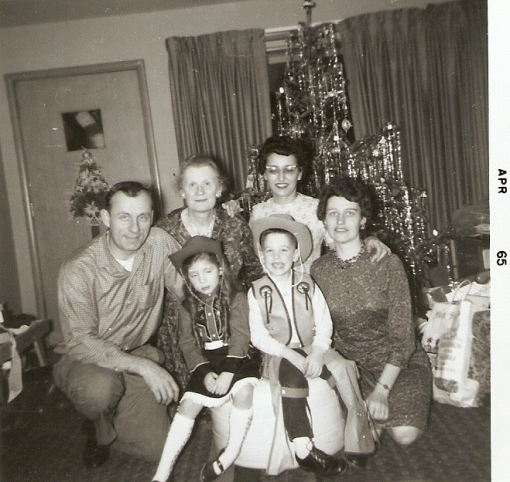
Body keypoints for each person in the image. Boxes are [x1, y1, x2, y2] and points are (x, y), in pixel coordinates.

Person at [53, 181, 182, 467]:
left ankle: (115, 415)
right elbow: (82, 341)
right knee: (98, 391)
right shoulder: (79, 268)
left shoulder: (159, 242)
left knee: (160, 452)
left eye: (143, 217)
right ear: (106, 218)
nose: (135, 228)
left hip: (134, 352)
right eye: (124, 217)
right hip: (86, 360)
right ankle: (96, 426)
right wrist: (144, 367)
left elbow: (189, 289)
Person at [248, 214, 375, 477]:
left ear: (296, 254)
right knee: (293, 377)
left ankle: (357, 436)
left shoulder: (307, 285)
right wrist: (289, 355)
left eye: (284, 249)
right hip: (279, 353)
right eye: (269, 250)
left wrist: (318, 352)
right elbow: (258, 337)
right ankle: (303, 447)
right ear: (261, 256)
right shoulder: (257, 291)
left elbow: (324, 322)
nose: (277, 256)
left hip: (312, 346)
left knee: (342, 369)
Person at [311, 177, 432, 446]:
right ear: (324, 221)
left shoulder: (387, 263)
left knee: (405, 435)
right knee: (364, 438)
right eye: (333, 213)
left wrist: (381, 392)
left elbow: (403, 338)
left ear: (363, 220)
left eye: (350, 213)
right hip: (353, 370)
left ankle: (406, 401)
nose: (340, 221)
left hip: (400, 364)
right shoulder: (318, 270)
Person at [152, 236, 259, 482]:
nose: (202, 281)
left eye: (207, 272)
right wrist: (203, 371)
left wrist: (230, 371)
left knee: (244, 393)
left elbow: (241, 335)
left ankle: (230, 453)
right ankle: (161, 474)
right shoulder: (186, 306)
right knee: (188, 405)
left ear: (220, 270)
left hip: (239, 357)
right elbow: (187, 343)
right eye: (194, 275)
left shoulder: (236, 298)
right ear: (187, 279)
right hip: (207, 361)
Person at [155, 155, 263, 390]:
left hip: (231, 330)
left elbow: (255, 274)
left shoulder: (236, 227)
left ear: (220, 188)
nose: (200, 190)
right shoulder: (164, 231)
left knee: (232, 395)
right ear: (181, 191)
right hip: (181, 329)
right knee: (188, 396)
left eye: (207, 183)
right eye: (192, 184)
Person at [249, 135, 390, 273]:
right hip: (270, 291)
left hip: (310, 291)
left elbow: (342, 246)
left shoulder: (315, 208)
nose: (281, 177)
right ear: (264, 174)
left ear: (299, 173)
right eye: (273, 170)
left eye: (289, 170)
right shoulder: (258, 212)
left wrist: (370, 240)